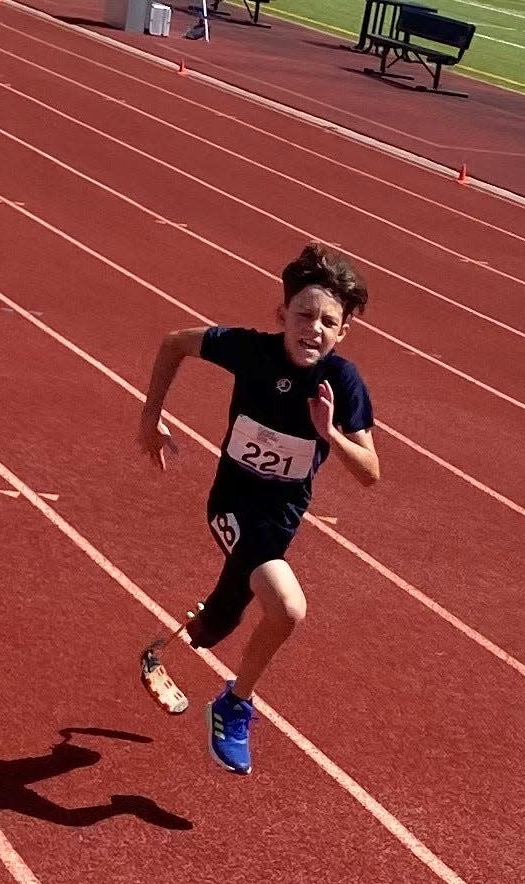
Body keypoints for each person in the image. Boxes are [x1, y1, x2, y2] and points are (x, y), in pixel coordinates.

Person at [137, 243, 380, 775]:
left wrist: (329, 434)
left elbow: (370, 473)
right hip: (232, 503)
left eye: (328, 322)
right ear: (282, 316)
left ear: (344, 332)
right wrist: (149, 417)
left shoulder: (344, 382)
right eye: (304, 315)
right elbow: (174, 342)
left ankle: (218, 616)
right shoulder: (248, 350)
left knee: (241, 602)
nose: (313, 329)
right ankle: (235, 703)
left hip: (282, 518)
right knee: (287, 607)